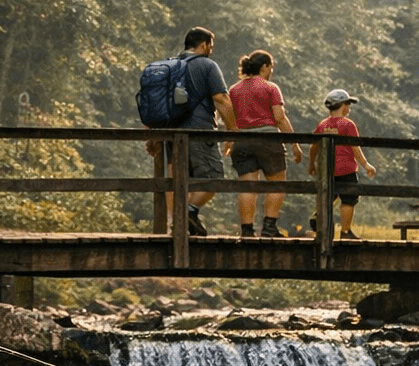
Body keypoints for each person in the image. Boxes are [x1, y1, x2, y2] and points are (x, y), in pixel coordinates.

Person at [143, 27, 236, 236]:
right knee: (213, 178)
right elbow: (221, 99)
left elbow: (151, 104)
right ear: (204, 45)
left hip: (171, 133)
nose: (211, 50)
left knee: (175, 179)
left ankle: (175, 223)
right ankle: (186, 213)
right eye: (211, 46)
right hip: (200, 132)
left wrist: (151, 136)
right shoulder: (207, 66)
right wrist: (233, 131)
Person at [227, 50, 303, 237]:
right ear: (264, 67)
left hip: (242, 141)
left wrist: (229, 141)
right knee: (277, 184)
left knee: (247, 187)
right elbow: (279, 118)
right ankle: (269, 227)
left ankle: (246, 230)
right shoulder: (270, 88)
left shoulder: (234, 89)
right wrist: (294, 144)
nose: (271, 71)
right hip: (268, 141)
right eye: (271, 67)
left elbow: (231, 119)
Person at [307, 88, 378, 239]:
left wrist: (312, 164)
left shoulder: (323, 125)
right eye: (348, 104)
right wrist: (366, 164)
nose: (349, 108)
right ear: (344, 106)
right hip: (346, 168)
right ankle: (346, 231)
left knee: (328, 196)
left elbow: (313, 146)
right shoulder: (348, 124)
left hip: (327, 169)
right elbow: (355, 147)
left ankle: (318, 216)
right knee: (349, 198)